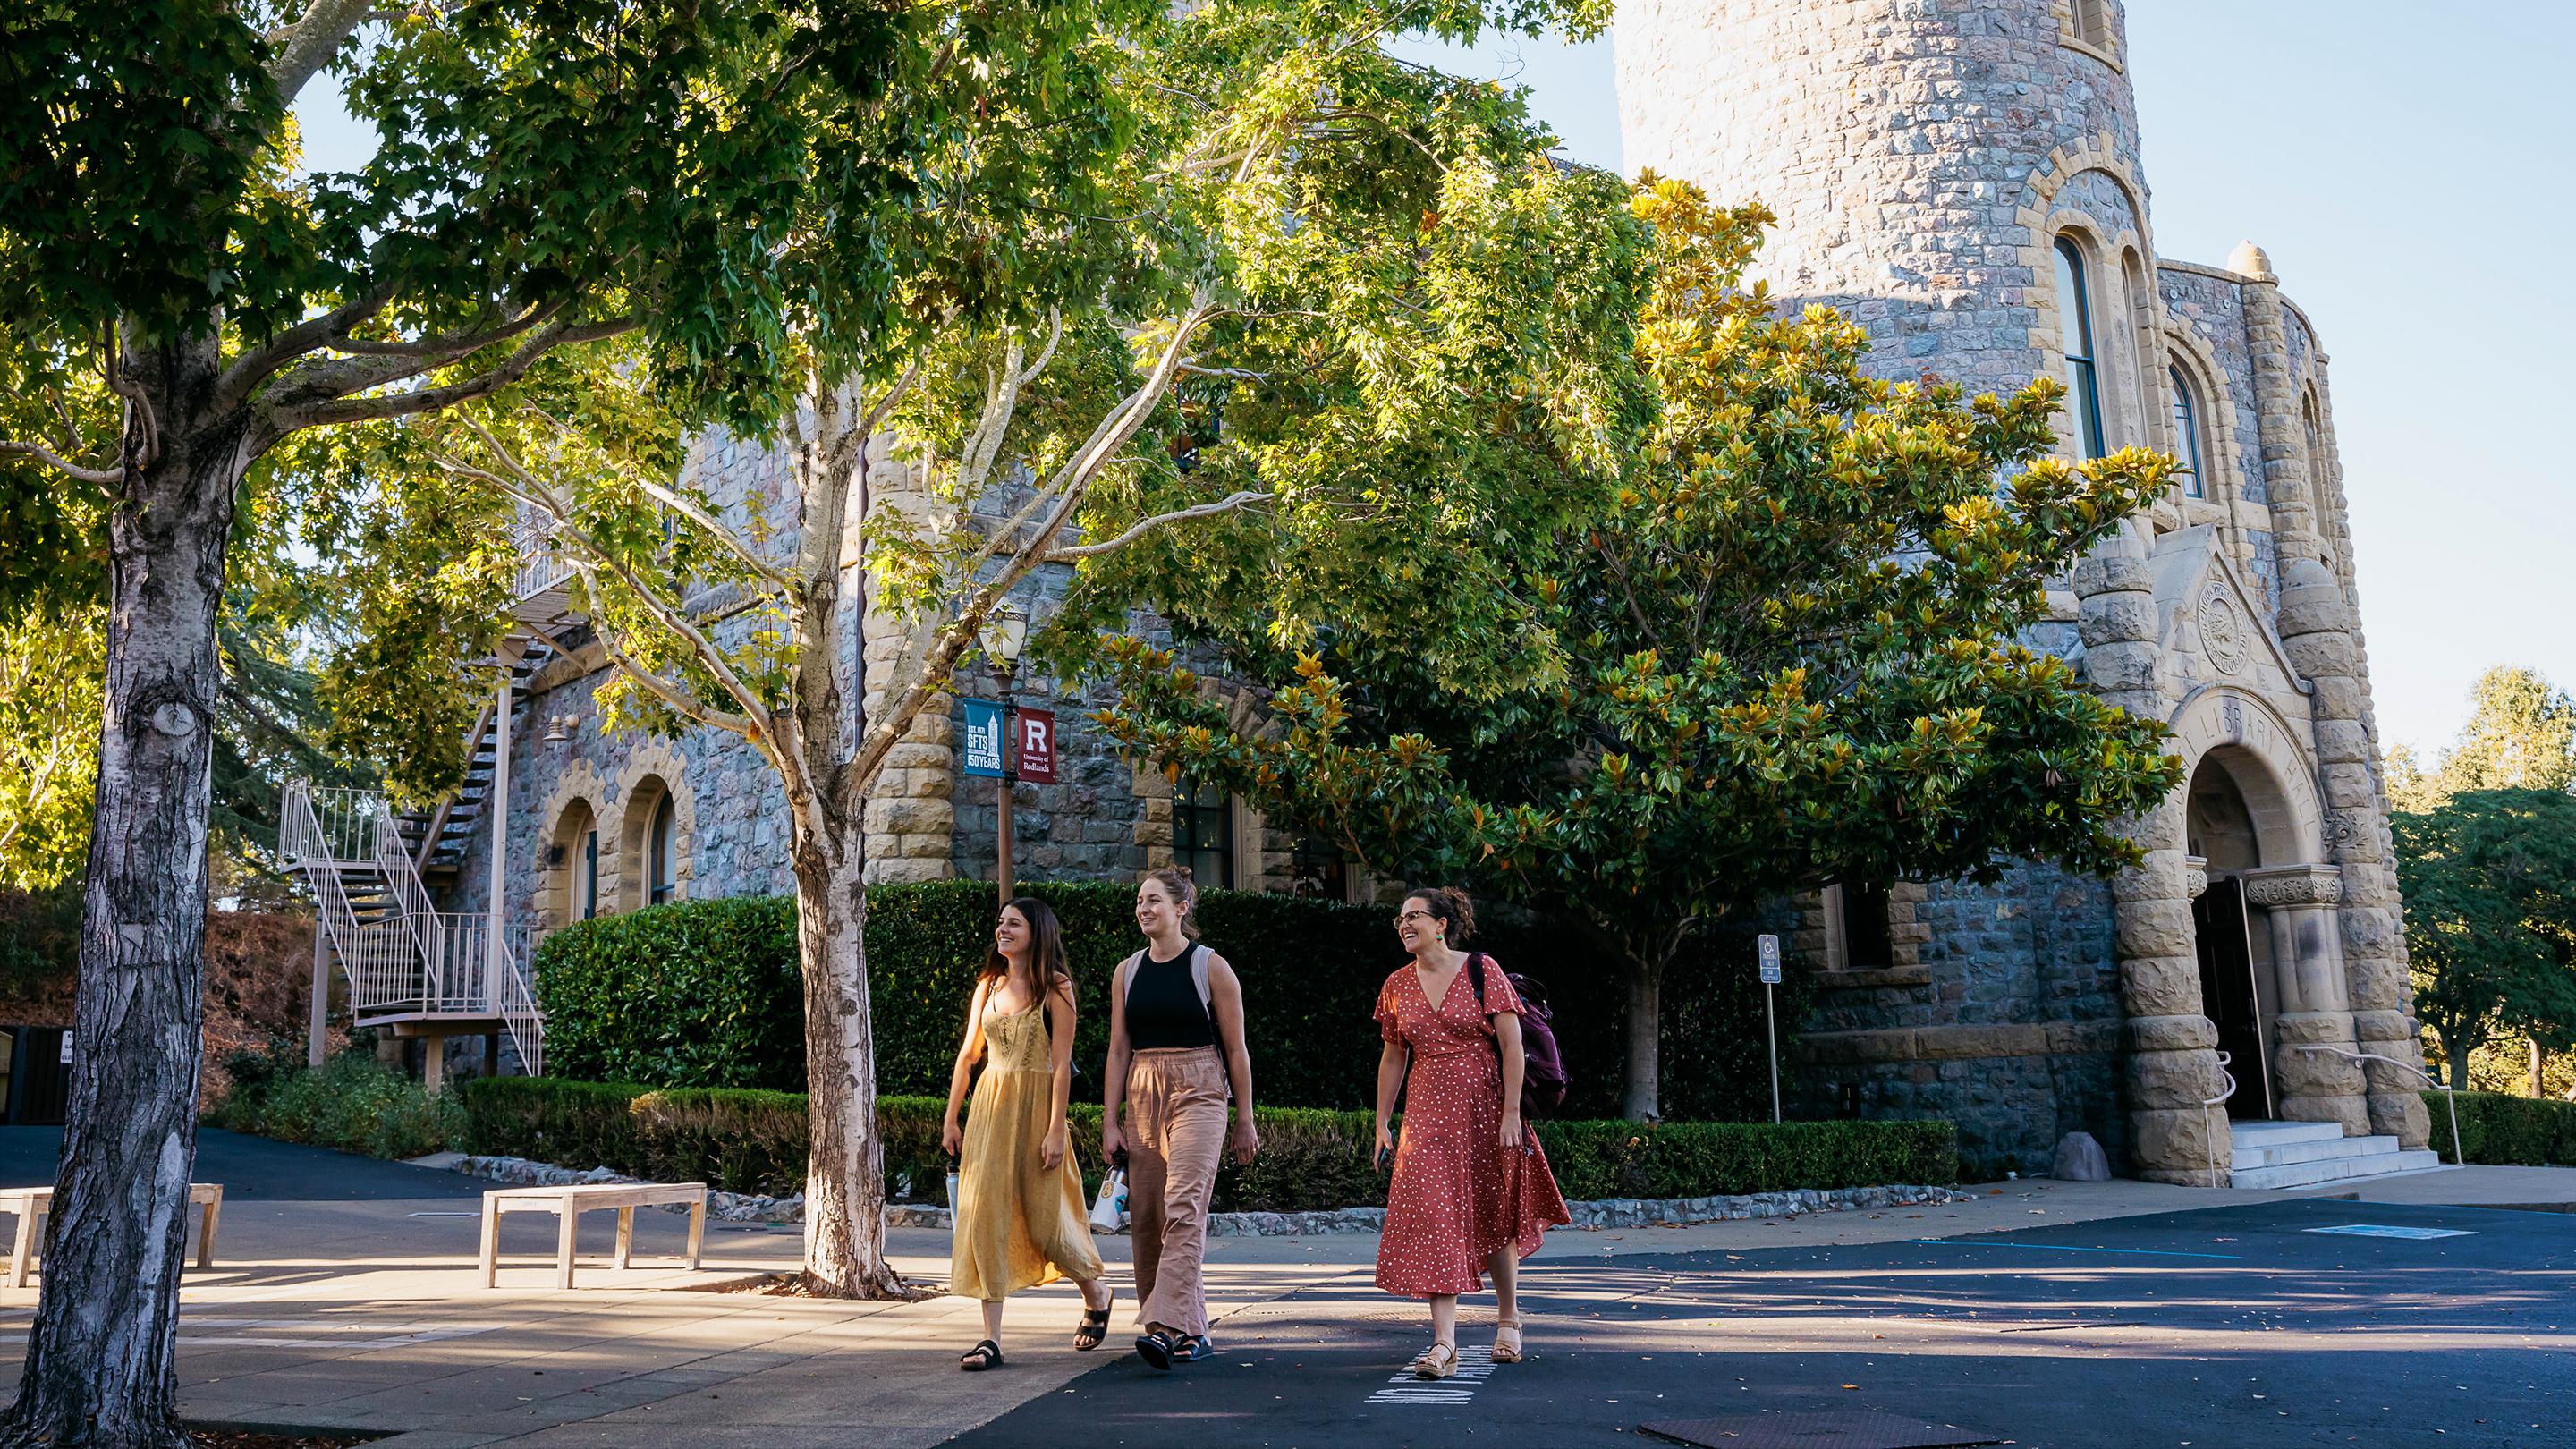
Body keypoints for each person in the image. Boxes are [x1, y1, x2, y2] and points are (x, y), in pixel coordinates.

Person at [1371, 886, 1568, 1379]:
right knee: (1437, 1218)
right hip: (1426, 1116)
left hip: (1484, 1107)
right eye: (1400, 920)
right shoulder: (1396, 984)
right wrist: (1381, 1122)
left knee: (1495, 1213)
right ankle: (1444, 1343)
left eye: (1414, 916)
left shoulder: (1482, 969)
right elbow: (1394, 1055)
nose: (1404, 925)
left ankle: (1509, 1319)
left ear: (1442, 924)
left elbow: (1512, 1046)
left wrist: (1509, 1115)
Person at [940, 896, 1114, 1370]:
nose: (1003, 929)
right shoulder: (988, 986)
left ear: (1036, 932)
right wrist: (951, 1117)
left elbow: (1061, 1066)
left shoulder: (1056, 987)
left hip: (1037, 1112)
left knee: (1045, 1220)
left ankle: (1096, 1291)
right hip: (989, 1112)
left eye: (1013, 923)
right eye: (1000, 922)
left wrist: (1057, 1129)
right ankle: (990, 1340)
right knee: (985, 1218)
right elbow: (968, 1055)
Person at [1101, 866, 1258, 1370]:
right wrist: (1111, 1120)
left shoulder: (1211, 966)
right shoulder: (1127, 971)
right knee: (1147, 1217)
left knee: (1183, 1204)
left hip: (1201, 1086)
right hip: (1143, 1088)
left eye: (1153, 901)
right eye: (1140, 902)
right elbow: (1118, 1049)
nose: (1144, 909)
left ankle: (1166, 1325)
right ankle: (1187, 1329)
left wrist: (1245, 1118)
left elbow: (1236, 1049)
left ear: (1181, 908)